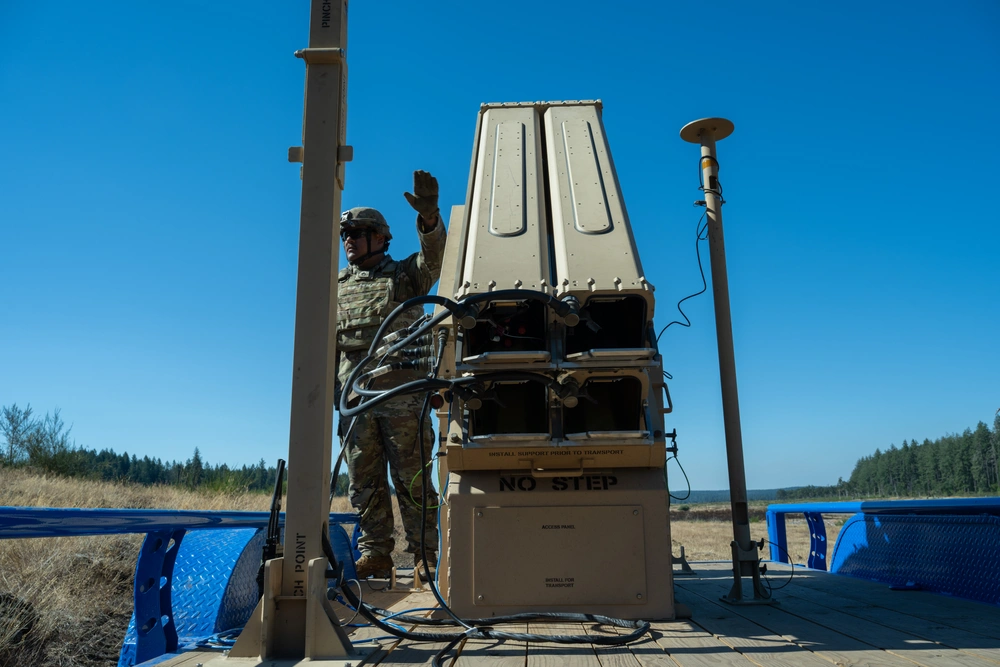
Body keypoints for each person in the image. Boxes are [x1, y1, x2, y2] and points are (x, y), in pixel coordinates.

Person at [336, 170, 446, 579]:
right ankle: (376, 552)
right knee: (363, 482)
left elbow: (433, 260)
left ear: (381, 238)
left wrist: (430, 219)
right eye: (346, 234)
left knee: (413, 481)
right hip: (355, 402)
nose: (349, 240)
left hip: (403, 401)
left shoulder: (404, 276)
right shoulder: (336, 286)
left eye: (359, 233)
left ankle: (425, 556)